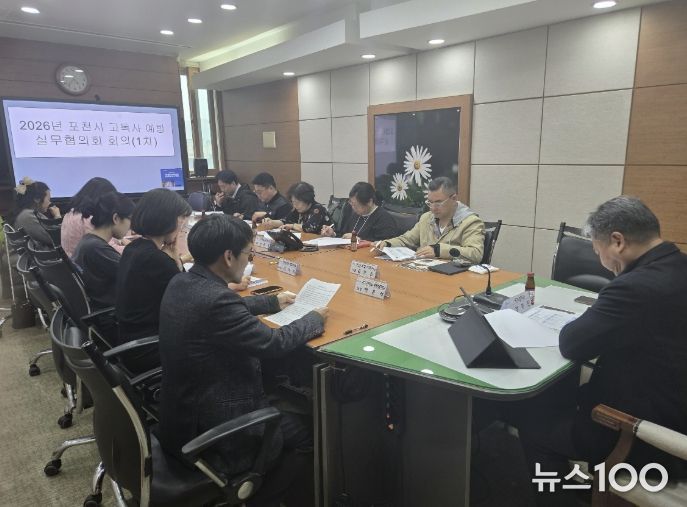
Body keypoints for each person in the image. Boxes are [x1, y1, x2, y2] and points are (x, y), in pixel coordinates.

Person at [512, 196, 687, 506]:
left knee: (534, 424)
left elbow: (572, 343)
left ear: (617, 241)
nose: (601, 261)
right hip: (674, 407)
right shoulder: (678, 265)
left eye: (598, 251)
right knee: (558, 396)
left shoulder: (635, 287)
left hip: (643, 435)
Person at [158, 214, 327, 506]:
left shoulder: (182, 281)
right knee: (312, 434)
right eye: (248, 253)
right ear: (228, 256)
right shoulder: (216, 301)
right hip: (217, 433)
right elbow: (274, 343)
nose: (249, 259)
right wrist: (313, 319)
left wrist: (270, 301)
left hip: (181, 417)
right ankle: (261, 497)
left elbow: (224, 307)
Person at [115, 188, 192, 347]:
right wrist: (174, 260)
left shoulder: (134, 247)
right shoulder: (155, 259)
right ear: (166, 219)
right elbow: (190, 298)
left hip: (131, 337)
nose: (182, 226)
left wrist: (174, 258)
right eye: (181, 219)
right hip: (151, 344)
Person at [373, 177, 484, 262]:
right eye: (430, 202)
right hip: (424, 272)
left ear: (454, 198)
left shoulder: (470, 222)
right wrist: (387, 244)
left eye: (438, 203)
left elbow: (476, 253)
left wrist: (438, 250)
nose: (433, 208)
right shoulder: (426, 218)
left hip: (454, 277)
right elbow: (407, 239)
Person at [72, 192, 134, 309]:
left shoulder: (88, 241)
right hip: (111, 312)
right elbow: (135, 275)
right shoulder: (97, 248)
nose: (131, 226)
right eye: (130, 219)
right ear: (116, 218)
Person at [61, 177, 126, 257]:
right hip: (87, 263)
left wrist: (121, 240)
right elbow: (109, 250)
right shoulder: (87, 220)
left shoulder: (71, 213)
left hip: (73, 261)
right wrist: (132, 247)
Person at [320, 182, 396, 242]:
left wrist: (359, 240)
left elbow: (384, 244)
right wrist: (333, 234)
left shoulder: (384, 219)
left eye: (356, 205)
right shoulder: (354, 213)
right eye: (351, 204)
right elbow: (344, 234)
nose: (353, 208)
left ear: (370, 202)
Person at [10, 177, 61, 247]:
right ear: (37, 199)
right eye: (48, 199)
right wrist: (57, 216)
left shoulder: (27, 213)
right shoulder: (27, 216)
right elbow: (56, 238)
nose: (49, 203)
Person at [265, 181, 330, 233]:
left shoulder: (318, 209)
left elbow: (309, 228)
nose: (295, 205)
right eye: (293, 202)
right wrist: (271, 222)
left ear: (307, 199)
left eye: (297, 202)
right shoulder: (298, 210)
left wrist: (292, 226)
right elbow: (285, 221)